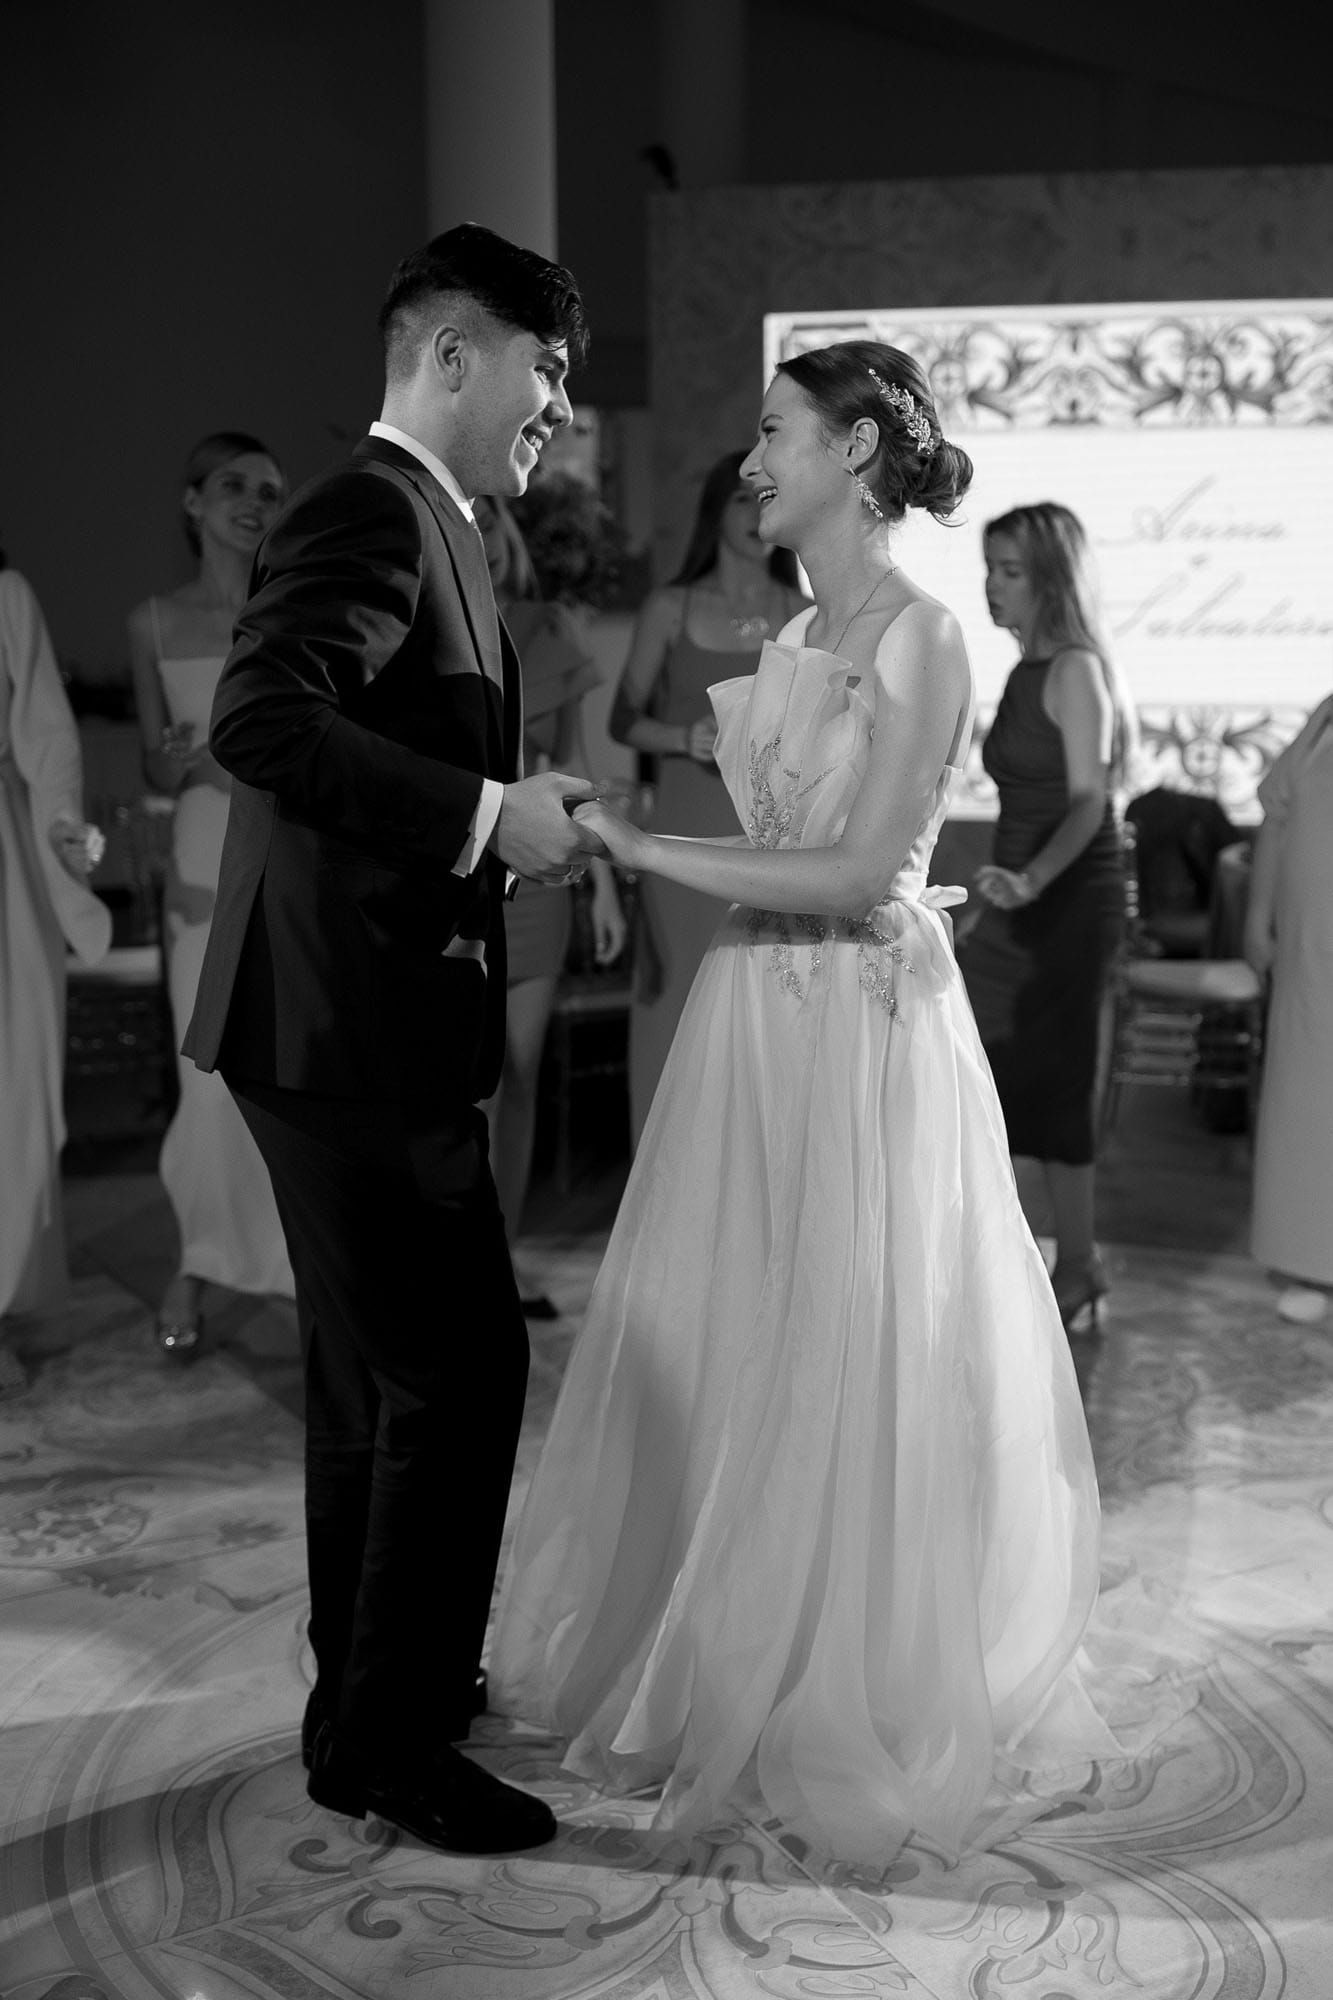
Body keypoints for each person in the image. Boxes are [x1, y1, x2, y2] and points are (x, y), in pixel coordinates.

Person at [492, 343, 1149, 1866]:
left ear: (857, 451)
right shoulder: (796, 627)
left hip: (857, 1016)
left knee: (844, 1339)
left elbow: (864, 873)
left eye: (775, 434)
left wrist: (647, 853)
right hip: (750, 1015)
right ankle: (719, 1638)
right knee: (734, 1327)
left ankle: (822, 1670)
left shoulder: (919, 639)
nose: (750, 464)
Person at [181, 223, 600, 1858]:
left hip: (349, 1015)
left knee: (375, 1381)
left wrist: (492, 822)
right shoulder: (369, 504)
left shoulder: (447, 522)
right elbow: (260, 718)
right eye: (543, 367)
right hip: (346, 1018)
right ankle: (400, 1734)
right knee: (460, 1369)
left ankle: (363, 1709)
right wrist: (491, 815)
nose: (556, 404)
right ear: (446, 354)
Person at [127, 435, 294, 1356]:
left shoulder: (293, 611)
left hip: (280, 858)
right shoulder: (151, 621)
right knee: (207, 1089)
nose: (253, 501)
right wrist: (179, 759)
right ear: (192, 503)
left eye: (268, 490)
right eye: (232, 485)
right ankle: (197, 1262)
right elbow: (157, 759)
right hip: (200, 864)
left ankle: (291, 1263)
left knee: (280, 1081)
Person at [961, 503, 1136, 1333]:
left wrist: (1028, 883)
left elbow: (1088, 804)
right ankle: (1041, 1260)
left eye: (1010, 572)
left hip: (1069, 898)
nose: (991, 587)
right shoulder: (1022, 669)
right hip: (1018, 894)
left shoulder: (1073, 669)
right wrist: (997, 897)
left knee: (1055, 1078)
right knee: (995, 1077)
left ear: (1051, 580)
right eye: (990, 569)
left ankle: (1077, 1262)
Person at [609, 450, 807, 1139]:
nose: (754, 516)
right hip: (683, 832)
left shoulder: (805, 614)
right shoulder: (670, 607)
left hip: (770, 840)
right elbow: (621, 720)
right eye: (739, 500)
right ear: (713, 512)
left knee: (766, 1017)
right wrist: (677, 737)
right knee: (676, 1009)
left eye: (766, 497)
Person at [475, 490, 625, 1317]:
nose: (487, 537)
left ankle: (502, 1253)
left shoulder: (547, 627)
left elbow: (575, 765)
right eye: (471, 521)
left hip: (537, 884)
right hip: (455, 872)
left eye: (495, 520)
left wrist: (599, 878)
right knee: (475, 1080)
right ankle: (459, 1257)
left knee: (521, 1075)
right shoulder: (425, 621)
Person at [1, 561, 110, 1396]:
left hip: (6, 865)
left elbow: (45, 738)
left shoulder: (7, 595)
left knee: (14, 1083)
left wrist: (66, 832)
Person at [1245, 693, 1333, 1324]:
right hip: (1310, 953)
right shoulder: (1325, 717)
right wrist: (1256, 920)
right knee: (1305, 1103)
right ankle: (1311, 1261)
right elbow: (1277, 816)